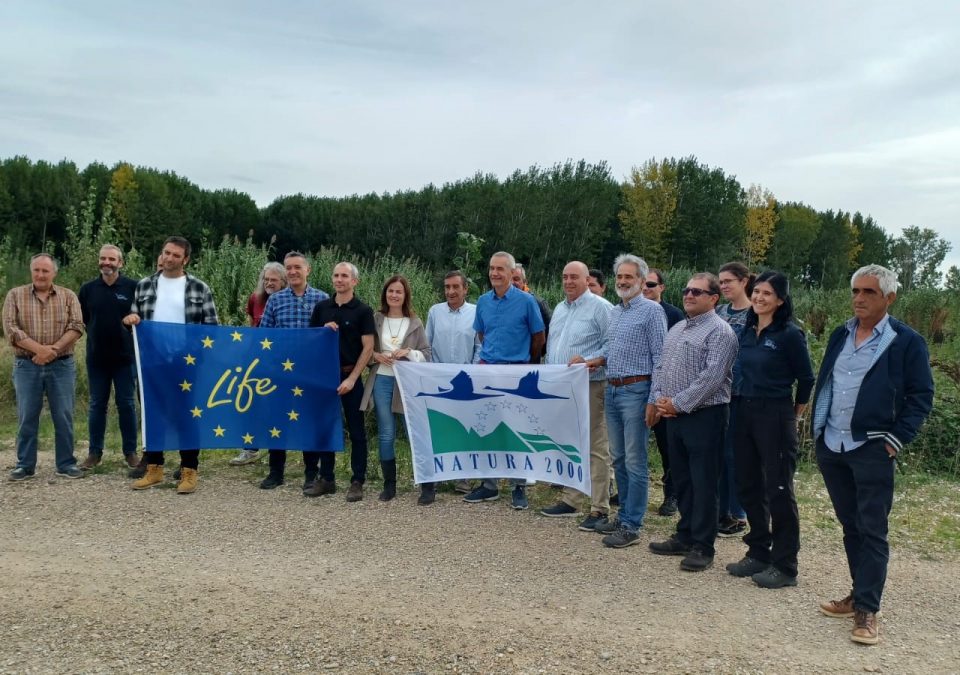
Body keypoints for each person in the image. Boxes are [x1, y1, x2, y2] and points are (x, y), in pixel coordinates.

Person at [812, 265, 933, 645]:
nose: (859, 298)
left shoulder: (905, 341)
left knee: (873, 530)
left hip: (872, 447)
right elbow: (827, 381)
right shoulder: (840, 333)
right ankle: (857, 594)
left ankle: (868, 610)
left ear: (889, 298)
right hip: (833, 444)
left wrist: (895, 439)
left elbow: (921, 397)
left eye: (868, 292)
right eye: (855, 291)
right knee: (851, 526)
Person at [725, 271, 814, 589]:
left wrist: (795, 414)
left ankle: (786, 565)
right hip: (743, 409)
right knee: (748, 484)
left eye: (767, 293)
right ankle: (758, 551)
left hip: (775, 413)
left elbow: (806, 378)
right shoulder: (747, 330)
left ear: (780, 299)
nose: (760, 298)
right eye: (757, 292)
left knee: (778, 489)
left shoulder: (790, 334)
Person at [647, 273, 738, 572]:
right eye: (687, 290)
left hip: (704, 416)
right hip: (673, 415)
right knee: (683, 479)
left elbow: (712, 378)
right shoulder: (677, 329)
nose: (689, 295)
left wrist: (679, 403)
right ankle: (685, 534)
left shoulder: (720, 333)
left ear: (714, 298)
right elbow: (660, 365)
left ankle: (703, 545)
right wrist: (660, 399)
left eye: (697, 292)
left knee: (703, 482)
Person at [123, 236, 218, 494]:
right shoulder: (144, 285)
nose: (168, 258)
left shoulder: (199, 288)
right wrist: (130, 319)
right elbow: (134, 318)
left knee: (187, 415)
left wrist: (194, 354)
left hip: (185, 363)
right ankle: (154, 467)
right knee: (152, 414)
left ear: (185, 259)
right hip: (151, 362)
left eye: (176, 255)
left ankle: (189, 470)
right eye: (166, 253)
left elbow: (212, 329)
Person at [593, 255, 667, 547]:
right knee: (619, 457)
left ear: (641, 280)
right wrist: (591, 361)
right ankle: (623, 516)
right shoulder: (615, 312)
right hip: (613, 389)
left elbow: (660, 358)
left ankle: (632, 525)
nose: (622, 282)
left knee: (635, 461)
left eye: (629, 277)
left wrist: (654, 399)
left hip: (637, 391)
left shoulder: (651, 312)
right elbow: (612, 351)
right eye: (619, 277)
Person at [465, 251, 546, 509]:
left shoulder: (526, 301)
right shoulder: (483, 302)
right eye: (491, 268)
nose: (494, 273)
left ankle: (518, 486)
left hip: (515, 372)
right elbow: (481, 334)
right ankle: (488, 485)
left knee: (515, 430)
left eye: (500, 269)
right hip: (488, 371)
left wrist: (524, 365)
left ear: (512, 274)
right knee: (486, 427)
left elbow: (539, 338)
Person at [539, 261, 615, 532]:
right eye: (564, 277)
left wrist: (592, 360)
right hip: (563, 387)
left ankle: (599, 507)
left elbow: (613, 345)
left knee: (595, 445)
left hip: (591, 384)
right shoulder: (560, 308)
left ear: (586, 280)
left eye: (574, 277)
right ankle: (571, 499)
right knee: (569, 443)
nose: (568, 281)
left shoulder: (601, 308)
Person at [3, 253, 85, 481]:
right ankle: (25, 465)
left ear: (54, 273)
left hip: (62, 365)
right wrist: (39, 350)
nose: (40, 275)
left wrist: (53, 350)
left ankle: (66, 463)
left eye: (45, 271)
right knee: (27, 415)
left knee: (64, 415)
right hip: (26, 365)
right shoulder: (15, 295)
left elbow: (77, 326)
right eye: (36, 270)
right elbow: (11, 328)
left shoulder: (68, 296)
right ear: (32, 271)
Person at [254, 253, 330, 486]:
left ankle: (310, 473)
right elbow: (264, 335)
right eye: (289, 268)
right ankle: (276, 472)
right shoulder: (275, 300)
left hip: (310, 372)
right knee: (277, 420)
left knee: (308, 420)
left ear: (308, 269)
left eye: (298, 267)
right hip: (280, 372)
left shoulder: (323, 298)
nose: (293, 271)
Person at [307, 262, 376, 501]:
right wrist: (321, 331)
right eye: (336, 275)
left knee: (357, 431)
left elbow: (368, 348)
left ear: (354, 281)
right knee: (326, 427)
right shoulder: (321, 308)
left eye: (344, 276)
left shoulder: (363, 311)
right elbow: (310, 341)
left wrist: (352, 378)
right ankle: (327, 478)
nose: (339, 279)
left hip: (351, 376)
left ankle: (357, 481)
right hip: (325, 378)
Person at [360, 275, 431, 502]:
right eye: (390, 291)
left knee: (413, 433)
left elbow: (426, 355)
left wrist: (408, 353)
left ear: (405, 295)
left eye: (398, 292)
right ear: (385, 294)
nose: (394, 295)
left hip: (407, 383)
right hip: (382, 380)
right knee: (386, 433)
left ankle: (427, 485)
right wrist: (375, 355)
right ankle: (389, 485)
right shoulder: (376, 318)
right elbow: (365, 349)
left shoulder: (415, 322)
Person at [77, 245, 140, 470]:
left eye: (111, 259)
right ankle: (94, 453)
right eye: (103, 258)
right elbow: (82, 319)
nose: (106, 262)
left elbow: (141, 316)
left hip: (125, 358)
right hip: (97, 358)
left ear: (120, 263)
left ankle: (130, 452)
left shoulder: (133, 287)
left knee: (126, 404)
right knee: (96, 405)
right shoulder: (87, 289)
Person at [425, 270, 481, 497]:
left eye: (455, 287)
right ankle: (438, 474)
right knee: (441, 427)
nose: (450, 291)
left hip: (466, 380)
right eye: (447, 287)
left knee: (463, 426)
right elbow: (427, 344)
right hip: (439, 380)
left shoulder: (476, 312)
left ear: (465, 289)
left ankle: (463, 477)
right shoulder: (435, 312)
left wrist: (473, 371)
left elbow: (479, 347)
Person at [229, 261, 288, 466]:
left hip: (282, 362)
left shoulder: (287, 301)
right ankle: (250, 448)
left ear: (283, 282)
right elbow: (252, 325)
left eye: (274, 280)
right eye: (266, 279)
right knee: (252, 402)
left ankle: (280, 447)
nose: (269, 283)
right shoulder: (255, 299)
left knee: (279, 405)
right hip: (256, 360)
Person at [641, 267, 685, 516]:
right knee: (633, 444)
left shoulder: (673, 314)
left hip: (663, 388)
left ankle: (672, 494)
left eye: (651, 284)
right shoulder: (630, 311)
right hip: (636, 385)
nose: (646, 289)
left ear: (661, 288)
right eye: (643, 285)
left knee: (667, 446)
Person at [715, 261, 755, 537]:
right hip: (716, 391)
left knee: (735, 455)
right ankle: (720, 510)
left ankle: (738, 514)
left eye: (729, 281)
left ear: (744, 281)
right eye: (721, 281)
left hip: (741, 391)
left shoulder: (755, 312)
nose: (724, 286)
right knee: (718, 454)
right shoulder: (718, 311)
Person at [511, 262, 552, 357]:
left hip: (528, 361)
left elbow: (549, 333)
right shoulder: (501, 301)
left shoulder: (538, 303)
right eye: (509, 279)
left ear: (525, 281)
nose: (512, 283)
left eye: (516, 279)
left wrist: (534, 356)